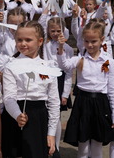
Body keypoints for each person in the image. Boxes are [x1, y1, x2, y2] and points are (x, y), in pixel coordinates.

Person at [2, 20, 60, 158]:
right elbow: (9, 97)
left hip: (39, 117)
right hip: (17, 115)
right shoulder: (11, 65)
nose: (23, 43)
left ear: (40, 41)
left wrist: (51, 133)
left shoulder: (49, 66)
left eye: (28, 40)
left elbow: (54, 102)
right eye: (19, 40)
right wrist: (17, 114)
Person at [57, 20, 114, 158]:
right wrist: (60, 47)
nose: (90, 45)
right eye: (87, 41)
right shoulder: (80, 59)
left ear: (102, 40)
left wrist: (113, 115)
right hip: (83, 103)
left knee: (97, 143)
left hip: (100, 104)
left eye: (93, 41)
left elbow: (111, 90)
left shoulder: (108, 62)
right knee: (83, 144)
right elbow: (64, 65)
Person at [43, 17, 74, 157]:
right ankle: (47, 143)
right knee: (46, 112)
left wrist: (65, 94)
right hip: (46, 78)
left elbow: (68, 72)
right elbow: (42, 23)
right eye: (52, 30)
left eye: (58, 30)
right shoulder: (44, 44)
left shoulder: (67, 48)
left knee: (57, 116)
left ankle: (56, 147)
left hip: (60, 80)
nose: (55, 33)